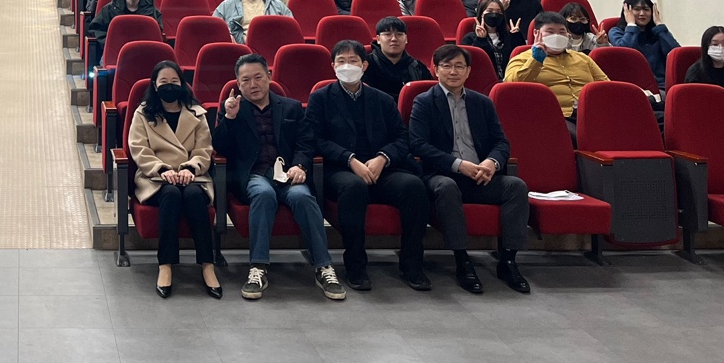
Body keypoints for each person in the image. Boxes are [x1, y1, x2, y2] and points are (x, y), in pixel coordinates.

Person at [215, 54, 346, 302]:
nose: (253, 85)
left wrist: (300, 165)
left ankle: (323, 266)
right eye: (245, 80)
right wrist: (229, 118)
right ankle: (258, 267)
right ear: (238, 84)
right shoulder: (233, 109)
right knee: (263, 194)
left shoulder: (291, 107)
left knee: (303, 197)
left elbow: (305, 143)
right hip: (254, 175)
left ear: (269, 77)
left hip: (288, 173)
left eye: (258, 77)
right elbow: (220, 148)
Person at [306, 40, 432, 291]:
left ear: (364, 65)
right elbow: (315, 139)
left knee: (413, 186)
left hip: (381, 166)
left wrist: (382, 158)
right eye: (341, 61)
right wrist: (350, 159)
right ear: (333, 66)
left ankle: (412, 265)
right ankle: (356, 266)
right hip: (341, 168)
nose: (347, 66)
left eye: (353, 61)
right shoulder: (320, 98)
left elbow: (401, 137)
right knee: (353, 188)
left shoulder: (382, 99)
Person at [410, 44, 531, 294]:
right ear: (435, 70)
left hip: (480, 175)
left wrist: (491, 163)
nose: (453, 72)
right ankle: (462, 260)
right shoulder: (424, 102)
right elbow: (419, 144)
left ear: (468, 71)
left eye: (459, 66)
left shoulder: (482, 103)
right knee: (447, 186)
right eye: (447, 66)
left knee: (516, 187)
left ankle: (508, 260)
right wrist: (457, 165)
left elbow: (501, 142)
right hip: (442, 174)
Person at [128, 60, 222, 298]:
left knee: (193, 195)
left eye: (174, 81)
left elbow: (204, 149)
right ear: (155, 85)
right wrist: (161, 169)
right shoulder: (143, 114)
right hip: (155, 178)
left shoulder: (197, 113)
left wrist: (191, 168)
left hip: (193, 176)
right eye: (164, 82)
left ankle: (207, 265)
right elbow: (139, 149)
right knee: (170, 194)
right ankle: (165, 265)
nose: (169, 86)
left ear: (182, 84)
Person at [504, 12, 610, 136]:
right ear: (536, 33)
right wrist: (536, 60)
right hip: (552, 117)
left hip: (589, 114)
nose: (557, 36)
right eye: (550, 32)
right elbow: (511, 86)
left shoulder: (583, 58)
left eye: (561, 32)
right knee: (584, 135)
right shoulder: (522, 58)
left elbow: (605, 85)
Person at [87, 0, 162, 72]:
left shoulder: (152, 10)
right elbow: (96, 28)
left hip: (143, 52)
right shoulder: (110, 9)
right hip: (115, 52)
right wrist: (109, 43)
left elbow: (157, 32)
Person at [608, 0, 680, 89]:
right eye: (637, 9)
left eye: (646, 9)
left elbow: (676, 55)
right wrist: (631, 25)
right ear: (627, 11)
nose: (642, 13)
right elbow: (625, 55)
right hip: (633, 88)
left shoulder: (658, 33)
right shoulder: (616, 32)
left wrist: (659, 24)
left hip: (661, 87)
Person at [362, 17, 431, 99]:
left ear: (406, 39)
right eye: (388, 34)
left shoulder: (417, 67)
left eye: (399, 34)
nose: (394, 39)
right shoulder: (365, 65)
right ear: (378, 39)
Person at [460, 0, 524, 79]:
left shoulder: (508, 36)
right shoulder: (470, 38)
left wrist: (516, 37)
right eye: (490, 11)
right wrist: (481, 40)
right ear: (481, 14)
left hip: (507, 80)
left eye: (498, 12)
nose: (494, 15)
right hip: (483, 81)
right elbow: (474, 62)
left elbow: (520, 60)